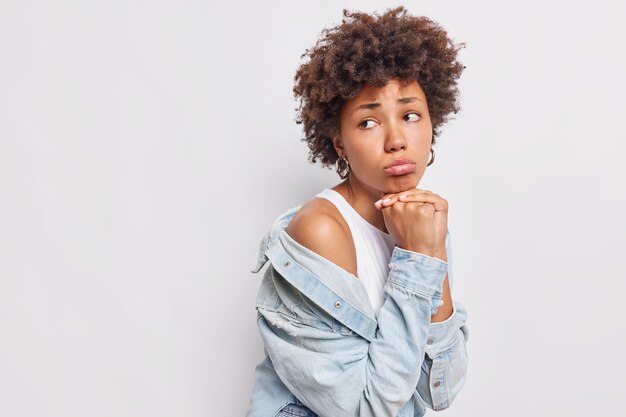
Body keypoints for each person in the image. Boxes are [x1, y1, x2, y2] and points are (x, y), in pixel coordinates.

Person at [246, 6, 469, 417]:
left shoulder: (420, 221)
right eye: (368, 122)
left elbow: (440, 388)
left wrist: (428, 250)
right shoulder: (321, 230)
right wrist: (419, 261)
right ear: (338, 142)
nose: (397, 139)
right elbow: (365, 409)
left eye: (411, 115)